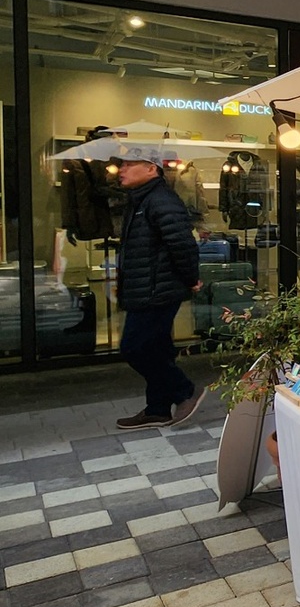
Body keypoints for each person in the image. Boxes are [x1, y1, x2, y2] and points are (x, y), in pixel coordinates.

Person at [115, 150, 205, 430]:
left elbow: (182, 244)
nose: (122, 169)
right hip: (145, 288)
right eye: (122, 164)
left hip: (157, 289)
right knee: (157, 348)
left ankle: (184, 390)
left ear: (151, 169)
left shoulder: (162, 201)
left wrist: (191, 278)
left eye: (130, 165)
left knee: (135, 347)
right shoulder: (141, 200)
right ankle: (157, 409)